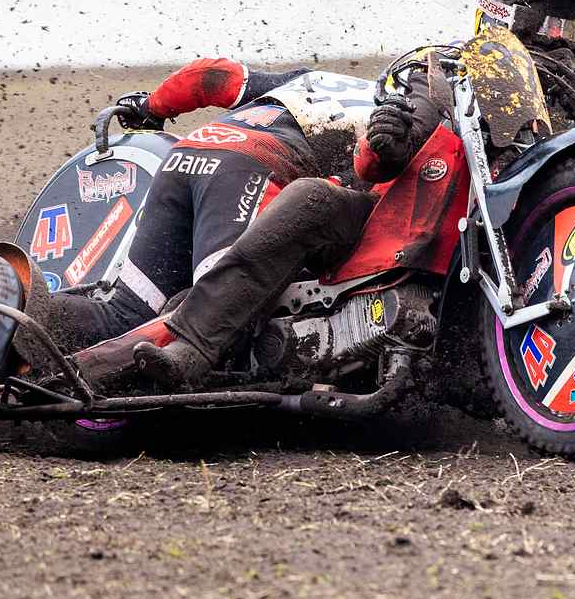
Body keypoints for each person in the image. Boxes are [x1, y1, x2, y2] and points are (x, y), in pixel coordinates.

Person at [133, 0, 575, 391]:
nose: (561, 41)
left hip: (472, 259)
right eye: (548, 25)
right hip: (370, 215)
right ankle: (194, 344)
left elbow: (214, 77)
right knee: (311, 200)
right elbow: (373, 157)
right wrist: (385, 143)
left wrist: (148, 107)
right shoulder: (434, 73)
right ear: (504, 18)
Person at [48, 59, 381, 383]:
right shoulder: (399, 125)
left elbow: (211, 76)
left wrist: (151, 107)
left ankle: (12, 314)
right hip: (250, 168)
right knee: (218, 309)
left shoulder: (314, 79)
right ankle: (93, 376)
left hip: (184, 156)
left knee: (124, 313)